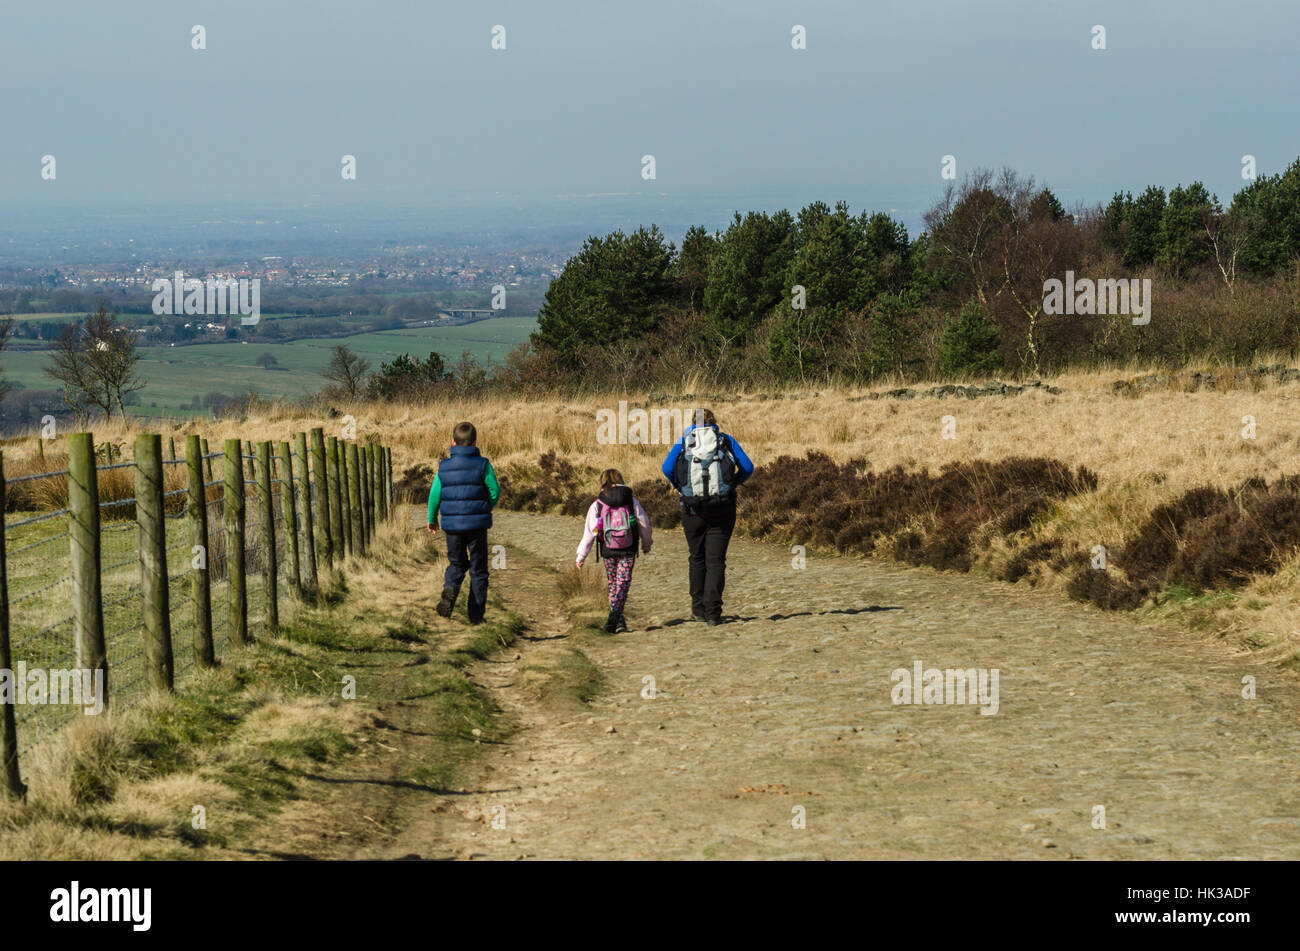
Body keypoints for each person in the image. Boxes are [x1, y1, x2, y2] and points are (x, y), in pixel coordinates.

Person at [660, 409, 754, 626]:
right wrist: (733, 483)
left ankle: (698, 609)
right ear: (715, 423)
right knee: (716, 561)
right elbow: (748, 467)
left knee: (696, 557)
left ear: (693, 423)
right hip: (722, 507)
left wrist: (680, 487)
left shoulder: (684, 440)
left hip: (692, 510)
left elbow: (666, 468)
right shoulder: (726, 440)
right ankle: (713, 613)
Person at [427, 421, 499, 624]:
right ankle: (476, 616)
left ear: (452, 442)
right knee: (478, 570)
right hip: (477, 527)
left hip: (452, 528)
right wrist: (484, 508)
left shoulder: (444, 466)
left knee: (457, 563)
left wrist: (432, 519)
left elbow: (434, 495)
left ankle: (450, 589)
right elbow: (495, 491)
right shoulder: (483, 464)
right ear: (476, 442)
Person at [576, 469, 653, 633]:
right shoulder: (631, 500)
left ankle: (616, 618)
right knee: (623, 583)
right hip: (628, 547)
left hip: (608, 548)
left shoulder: (598, 503)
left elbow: (590, 530)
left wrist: (581, 555)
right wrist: (646, 544)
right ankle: (616, 616)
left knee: (613, 584)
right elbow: (644, 522)